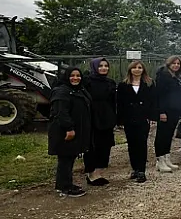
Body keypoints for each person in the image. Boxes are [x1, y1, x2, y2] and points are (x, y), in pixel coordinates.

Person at [48, 67, 91, 197]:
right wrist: (69, 128)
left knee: (70, 157)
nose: (75, 78)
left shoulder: (78, 90)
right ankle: (64, 187)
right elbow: (61, 112)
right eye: (72, 76)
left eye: (78, 75)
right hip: (65, 131)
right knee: (65, 158)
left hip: (76, 129)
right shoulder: (61, 92)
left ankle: (66, 183)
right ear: (67, 77)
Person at [117, 60, 157, 183]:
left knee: (141, 144)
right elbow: (120, 103)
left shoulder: (149, 83)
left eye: (140, 67)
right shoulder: (123, 85)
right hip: (129, 119)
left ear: (143, 69)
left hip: (143, 118)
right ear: (130, 69)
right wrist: (120, 120)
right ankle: (134, 168)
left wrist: (152, 116)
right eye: (134, 67)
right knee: (131, 145)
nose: (137, 69)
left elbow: (153, 101)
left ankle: (141, 170)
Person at [83, 57, 116, 186]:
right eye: (100, 66)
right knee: (92, 145)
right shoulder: (87, 82)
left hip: (107, 116)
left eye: (106, 66)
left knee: (105, 145)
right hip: (92, 117)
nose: (104, 68)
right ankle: (91, 174)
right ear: (95, 67)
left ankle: (99, 172)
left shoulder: (110, 82)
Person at [154, 56, 181, 172]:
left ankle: (167, 158)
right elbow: (159, 96)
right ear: (168, 64)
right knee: (162, 135)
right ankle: (160, 160)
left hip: (175, 111)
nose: (176, 65)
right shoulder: (162, 76)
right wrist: (161, 112)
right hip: (165, 111)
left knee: (169, 135)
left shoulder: (177, 77)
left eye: (178, 64)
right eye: (174, 63)